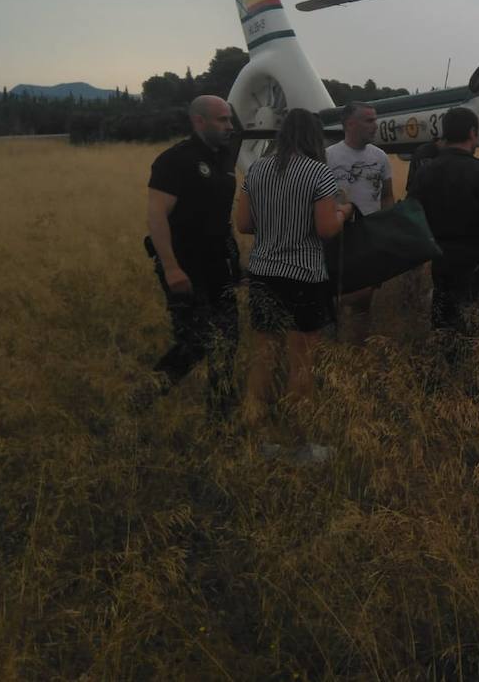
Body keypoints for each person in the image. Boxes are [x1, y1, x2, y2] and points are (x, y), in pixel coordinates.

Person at [236, 108, 353, 455]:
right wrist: (343, 212)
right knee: (302, 359)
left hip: (262, 273)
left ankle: (259, 439)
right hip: (302, 275)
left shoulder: (256, 169)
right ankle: (301, 443)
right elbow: (326, 229)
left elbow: (243, 223)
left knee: (264, 355)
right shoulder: (319, 173)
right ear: (314, 137)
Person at [137, 95, 241, 419]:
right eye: (223, 120)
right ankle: (140, 401)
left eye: (230, 120)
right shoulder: (174, 160)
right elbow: (156, 218)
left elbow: (221, 215)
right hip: (186, 265)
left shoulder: (224, 157)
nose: (230, 126)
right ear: (199, 121)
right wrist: (171, 268)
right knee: (195, 343)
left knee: (228, 340)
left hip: (218, 265)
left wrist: (234, 261)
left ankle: (220, 415)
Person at [407, 108, 479, 362]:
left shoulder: (426, 171)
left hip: (441, 260)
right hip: (477, 264)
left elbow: (412, 214)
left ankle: (447, 371)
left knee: (444, 322)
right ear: (471, 132)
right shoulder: (478, 172)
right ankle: (475, 377)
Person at [325, 101, 395, 340]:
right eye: (369, 120)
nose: (375, 125)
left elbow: (387, 197)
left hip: (369, 237)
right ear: (350, 123)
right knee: (333, 294)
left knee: (365, 300)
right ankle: (330, 349)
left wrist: (387, 230)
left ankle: (357, 351)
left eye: (375, 119)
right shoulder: (329, 156)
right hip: (337, 234)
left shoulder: (380, 157)